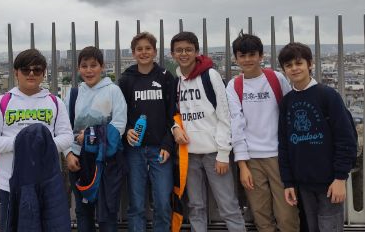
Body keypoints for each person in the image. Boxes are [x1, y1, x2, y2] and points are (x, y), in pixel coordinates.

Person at [0, 48, 73, 232]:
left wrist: (41, 144)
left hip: (45, 184)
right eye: (25, 69)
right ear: (16, 73)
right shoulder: (2, 102)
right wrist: (22, 143)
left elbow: (67, 137)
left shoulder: (55, 102)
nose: (31, 74)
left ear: (44, 73)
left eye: (37, 70)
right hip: (10, 185)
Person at [170, 31, 246, 232]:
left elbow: (224, 114)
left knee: (228, 205)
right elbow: (176, 113)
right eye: (179, 50)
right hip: (189, 154)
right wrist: (176, 128)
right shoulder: (177, 80)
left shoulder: (209, 75)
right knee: (196, 207)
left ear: (196, 52)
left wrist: (223, 153)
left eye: (188, 49)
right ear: (172, 54)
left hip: (214, 153)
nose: (184, 54)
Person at [277, 42, 357, 232]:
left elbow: (346, 138)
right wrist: (288, 182)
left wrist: (340, 177)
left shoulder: (328, 95)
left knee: (330, 227)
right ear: (284, 70)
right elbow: (284, 144)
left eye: (299, 63)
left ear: (310, 64)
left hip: (329, 181)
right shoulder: (287, 102)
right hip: (302, 183)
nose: (294, 69)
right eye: (289, 66)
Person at [226, 31, 299, 232]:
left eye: (252, 55)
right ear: (236, 58)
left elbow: (290, 111)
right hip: (251, 158)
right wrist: (242, 165)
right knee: (260, 214)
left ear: (261, 56)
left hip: (279, 156)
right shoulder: (234, 85)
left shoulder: (276, 78)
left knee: (287, 215)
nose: (247, 60)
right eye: (242, 55)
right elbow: (236, 125)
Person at [64, 46, 128, 232]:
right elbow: (64, 127)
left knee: (108, 212)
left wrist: (90, 135)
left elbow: (119, 125)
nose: (89, 70)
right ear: (78, 68)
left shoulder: (113, 91)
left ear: (102, 67)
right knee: (83, 211)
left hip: (107, 162)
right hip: (79, 160)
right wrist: (68, 153)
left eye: (93, 65)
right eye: (84, 66)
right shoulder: (73, 94)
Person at [119, 32, 176, 232]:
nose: (144, 52)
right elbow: (120, 114)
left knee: (162, 202)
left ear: (155, 51)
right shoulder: (126, 79)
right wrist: (126, 131)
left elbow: (173, 115)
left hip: (161, 149)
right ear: (133, 53)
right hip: (134, 150)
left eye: (148, 48)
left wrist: (168, 145)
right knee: (136, 205)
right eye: (139, 49)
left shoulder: (166, 77)